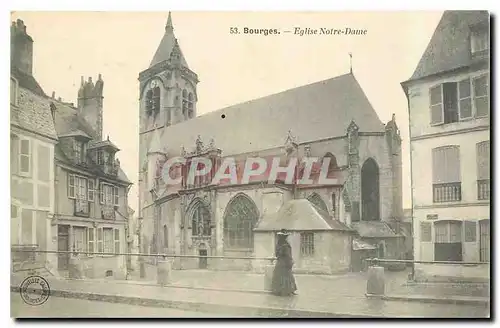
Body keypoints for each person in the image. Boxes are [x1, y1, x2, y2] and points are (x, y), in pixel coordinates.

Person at [271, 229, 297, 296]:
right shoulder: (282, 245)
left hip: (283, 262)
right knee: (284, 276)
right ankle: (283, 291)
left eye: (285, 236)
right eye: (284, 236)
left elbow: (287, 253)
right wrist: (289, 260)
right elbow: (282, 254)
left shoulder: (283, 244)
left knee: (287, 276)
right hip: (283, 262)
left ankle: (288, 290)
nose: (285, 237)